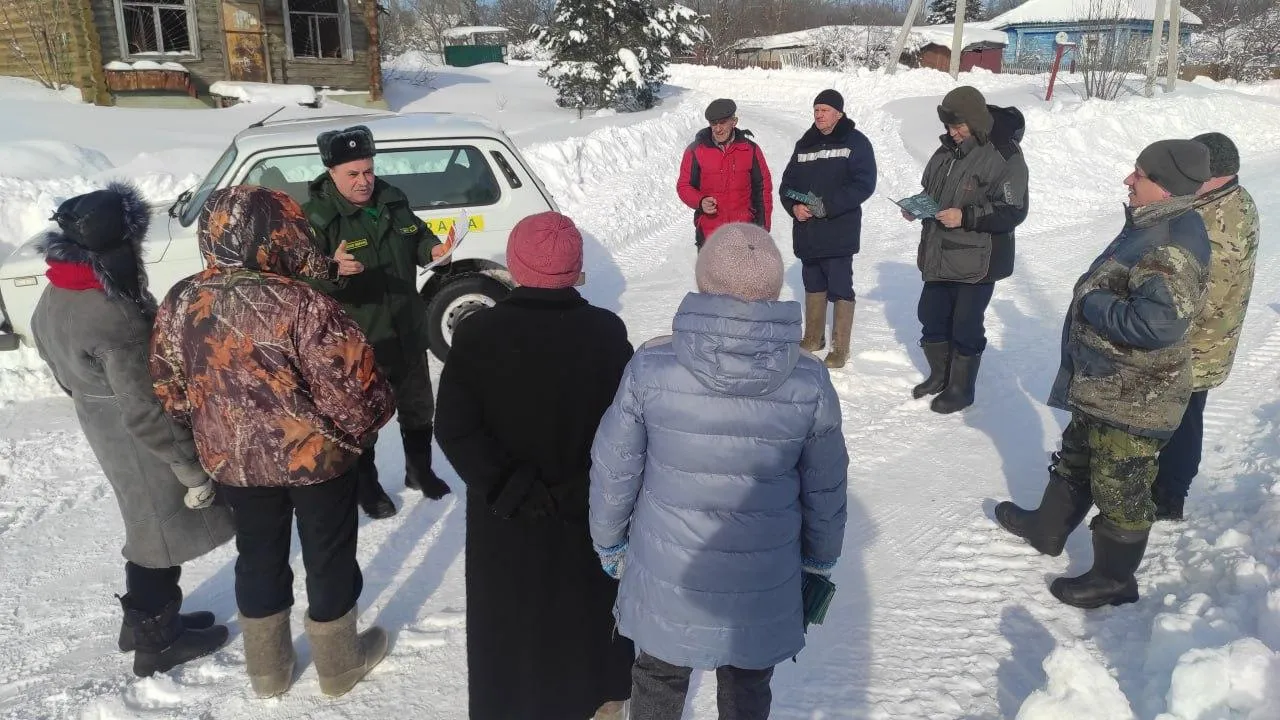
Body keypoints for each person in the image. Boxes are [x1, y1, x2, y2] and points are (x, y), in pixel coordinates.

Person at [589, 223, 849, 720]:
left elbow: (614, 466)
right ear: (772, 290)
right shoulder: (809, 378)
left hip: (669, 571)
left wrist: (609, 542)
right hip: (765, 574)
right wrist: (819, 559)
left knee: (658, 676)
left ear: (704, 281)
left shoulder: (652, 364)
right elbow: (826, 485)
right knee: (748, 684)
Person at [150, 186, 396, 697]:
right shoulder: (301, 301)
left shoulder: (180, 300)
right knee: (328, 554)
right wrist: (362, 431)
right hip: (315, 460)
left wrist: (211, 434)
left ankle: (267, 672)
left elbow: (168, 388)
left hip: (235, 463)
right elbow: (355, 389)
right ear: (276, 233)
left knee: (257, 554)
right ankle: (338, 665)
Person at [435, 212, 635, 720]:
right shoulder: (606, 334)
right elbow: (629, 431)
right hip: (587, 517)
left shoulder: (478, 334)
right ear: (576, 271)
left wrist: (511, 487)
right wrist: (579, 489)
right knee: (586, 633)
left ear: (516, 267)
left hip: (506, 520)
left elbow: (455, 429)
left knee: (510, 639)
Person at [995, 140, 1212, 609]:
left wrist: (1092, 302)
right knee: (1077, 455)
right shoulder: (1154, 223)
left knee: (1121, 486)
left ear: (1164, 185)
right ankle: (1046, 530)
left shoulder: (1170, 243)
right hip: (1108, 383)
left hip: (1136, 394)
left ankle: (1114, 580)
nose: (1128, 180)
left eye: (1139, 174)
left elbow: (1157, 323)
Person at [31, 182, 235, 678]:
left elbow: (57, 366)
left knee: (146, 528)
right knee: (158, 536)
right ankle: (156, 641)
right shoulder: (113, 314)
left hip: (106, 430)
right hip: (143, 445)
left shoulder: (56, 290)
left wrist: (91, 398)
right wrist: (190, 469)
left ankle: (140, 623)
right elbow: (148, 409)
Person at [303, 124, 452, 520]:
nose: (364, 181)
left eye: (368, 170)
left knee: (419, 405)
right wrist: (331, 270)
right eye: (353, 173)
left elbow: (415, 235)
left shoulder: (391, 197)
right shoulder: (317, 218)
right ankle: (366, 486)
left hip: (406, 326)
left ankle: (419, 471)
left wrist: (432, 249)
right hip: (359, 341)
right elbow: (299, 280)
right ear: (331, 172)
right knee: (362, 417)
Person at [1152, 132, 1260, 521]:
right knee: (1177, 414)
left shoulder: (1221, 221)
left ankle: (1170, 494)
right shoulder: (1220, 201)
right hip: (1200, 339)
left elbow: (1205, 296)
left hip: (1198, 343)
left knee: (1182, 419)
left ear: (1213, 174)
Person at [906, 86, 1029, 414]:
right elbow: (931, 188)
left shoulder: (1004, 154)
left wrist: (967, 215)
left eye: (958, 126)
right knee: (930, 315)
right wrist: (918, 206)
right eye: (948, 126)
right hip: (939, 251)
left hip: (977, 258)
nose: (953, 133)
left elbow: (1013, 209)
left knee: (965, 323)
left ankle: (961, 387)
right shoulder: (946, 150)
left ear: (975, 120)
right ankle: (939, 375)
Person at [779, 88, 877, 369]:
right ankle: (813, 338)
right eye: (816, 109)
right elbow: (787, 185)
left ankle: (840, 347)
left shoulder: (855, 142)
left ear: (839, 113)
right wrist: (793, 207)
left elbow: (863, 184)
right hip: (808, 231)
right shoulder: (805, 143)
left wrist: (828, 206)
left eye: (824, 110)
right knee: (813, 283)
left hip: (838, 230)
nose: (818, 114)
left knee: (840, 287)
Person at [676, 98, 773, 250]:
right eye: (714, 123)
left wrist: (763, 228)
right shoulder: (695, 151)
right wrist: (700, 201)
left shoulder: (751, 150)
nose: (718, 129)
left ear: (734, 121)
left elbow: (763, 189)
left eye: (722, 122)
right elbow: (684, 186)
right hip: (710, 236)